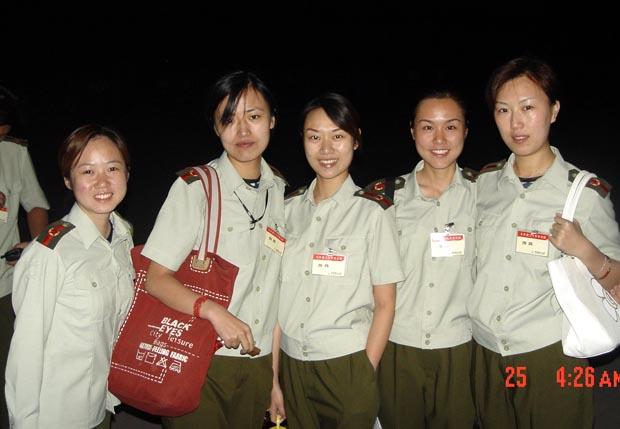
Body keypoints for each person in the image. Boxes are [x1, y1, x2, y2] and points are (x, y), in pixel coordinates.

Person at [468, 56, 620, 428]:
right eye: (504, 110)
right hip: (486, 353)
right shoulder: (483, 185)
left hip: (550, 353)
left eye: (528, 107)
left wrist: (584, 249)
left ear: (554, 110)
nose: (516, 123)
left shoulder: (584, 192)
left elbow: (618, 277)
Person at [142, 70, 287, 429]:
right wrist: (213, 311)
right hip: (199, 358)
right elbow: (155, 279)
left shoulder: (280, 191)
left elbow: (273, 295)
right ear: (216, 127)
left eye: (254, 116)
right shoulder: (195, 188)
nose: (242, 130)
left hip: (257, 362)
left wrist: (273, 380)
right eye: (229, 119)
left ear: (272, 120)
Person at [272, 92, 404, 428]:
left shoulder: (372, 213)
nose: (326, 149)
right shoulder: (286, 211)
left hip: (346, 364)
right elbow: (275, 298)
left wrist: (364, 372)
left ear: (356, 140)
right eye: (314, 137)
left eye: (338, 136)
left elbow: (385, 304)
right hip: (292, 362)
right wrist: (274, 378)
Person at [5, 124, 134, 428]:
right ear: (68, 180)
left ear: (127, 173)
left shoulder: (123, 236)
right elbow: (26, 353)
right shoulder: (50, 253)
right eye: (87, 171)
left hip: (101, 405)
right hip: (57, 415)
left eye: (112, 168)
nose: (102, 181)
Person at [376, 90, 477, 428]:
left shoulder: (484, 194)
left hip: (460, 347)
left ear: (465, 131)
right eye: (427, 127)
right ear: (412, 132)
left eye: (451, 127)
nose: (439, 139)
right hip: (397, 345)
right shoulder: (385, 199)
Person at [0, 90, 49, 429]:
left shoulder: (14, 153)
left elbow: (36, 205)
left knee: (11, 372)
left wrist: (36, 248)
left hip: (4, 284)